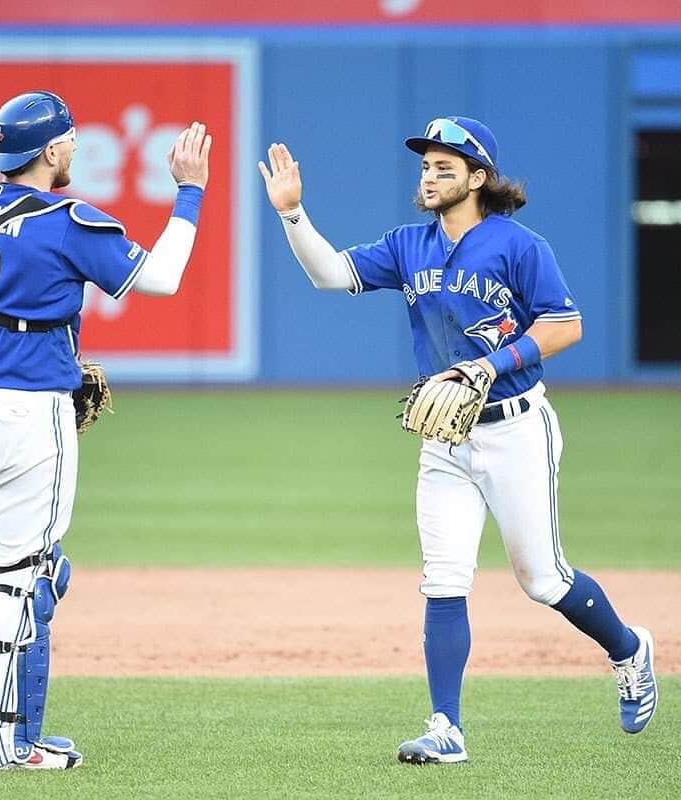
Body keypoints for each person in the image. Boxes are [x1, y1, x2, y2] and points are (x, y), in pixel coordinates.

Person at [258, 117, 657, 765]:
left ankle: (628, 649)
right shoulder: (408, 245)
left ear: (479, 178)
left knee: (543, 579)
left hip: (517, 428)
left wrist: (488, 365)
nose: (430, 176)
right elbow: (331, 275)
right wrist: (294, 213)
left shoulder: (518, 245)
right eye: (425, 166)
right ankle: (446, 727)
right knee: (444, 580)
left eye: (446, 167)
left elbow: (566, 325)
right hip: (445, 434)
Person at [0, 91, 212, 770]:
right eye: (71, 139)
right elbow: (161, 278)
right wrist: (189, 192)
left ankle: (1, 730)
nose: (75, 149)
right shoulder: (65, 219)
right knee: (26, 575)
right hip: (25, 412)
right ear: (51, 151)